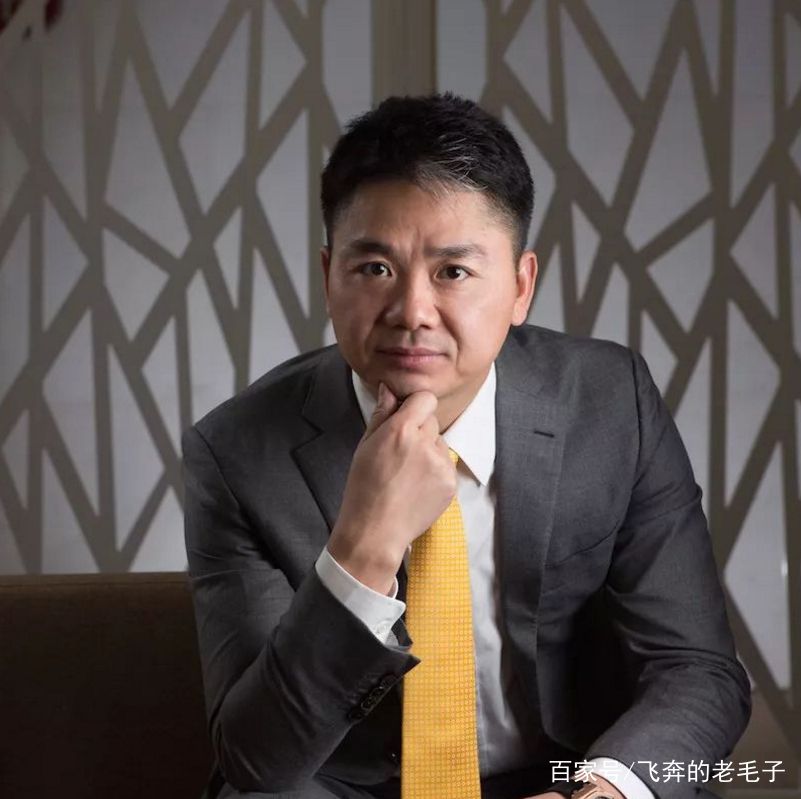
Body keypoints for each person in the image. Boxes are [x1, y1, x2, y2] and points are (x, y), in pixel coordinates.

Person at [181, 93, 751, 799]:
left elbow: (698, 671)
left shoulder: (609, 405)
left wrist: (601, 793)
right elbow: (256, 759)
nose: (412, 312)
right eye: (374, 268)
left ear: (520, 286)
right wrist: (362, 547)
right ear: (328, 277)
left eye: (452, 272)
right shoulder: (236, 452)